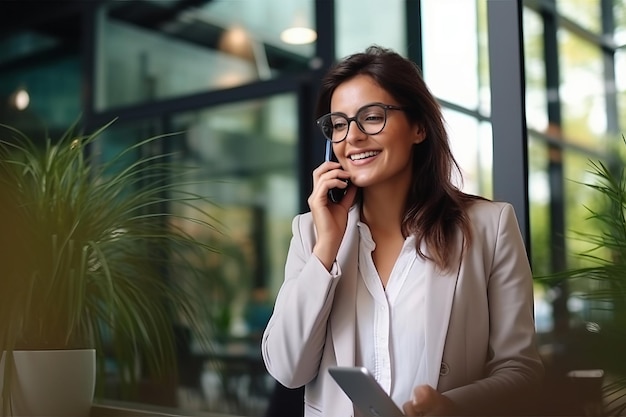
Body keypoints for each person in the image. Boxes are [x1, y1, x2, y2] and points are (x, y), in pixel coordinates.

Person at [261, 45, 544, 417]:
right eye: (340, 124)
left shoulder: (489, 227)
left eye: (372, 117)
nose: (353, 137)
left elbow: (521, 369)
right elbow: (287, 368)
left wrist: (452, 406)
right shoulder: (312, 233)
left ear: (419, 127)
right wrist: (328, 244)